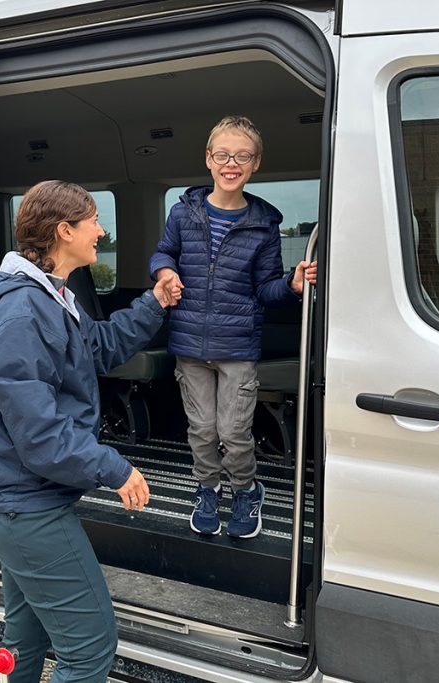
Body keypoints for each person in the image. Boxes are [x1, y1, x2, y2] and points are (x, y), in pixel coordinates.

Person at [0, 180, 180, 683]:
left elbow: (95, 346)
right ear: (65, 231)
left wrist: (154, 303)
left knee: (25, 639)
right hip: (21, 502)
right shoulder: (21, 312)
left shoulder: (50, 296)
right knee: (90, 649)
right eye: (94, 220)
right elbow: (39, 434)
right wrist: (114, 467)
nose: (101, 231)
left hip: (18, 495)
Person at [149, 115, 317, 539]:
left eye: (242, 156)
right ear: (208, 159)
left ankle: (245, 489)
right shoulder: (183, 213)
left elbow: (265, 289)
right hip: (190, 344)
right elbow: (162, 253)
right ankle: (207, 488)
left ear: (255, 163)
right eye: (223, 154)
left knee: (234, 432)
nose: (231, 163)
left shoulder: (264, 225)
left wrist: (292, 285)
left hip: (239, 347)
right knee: (202, 430)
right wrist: (165, 272)